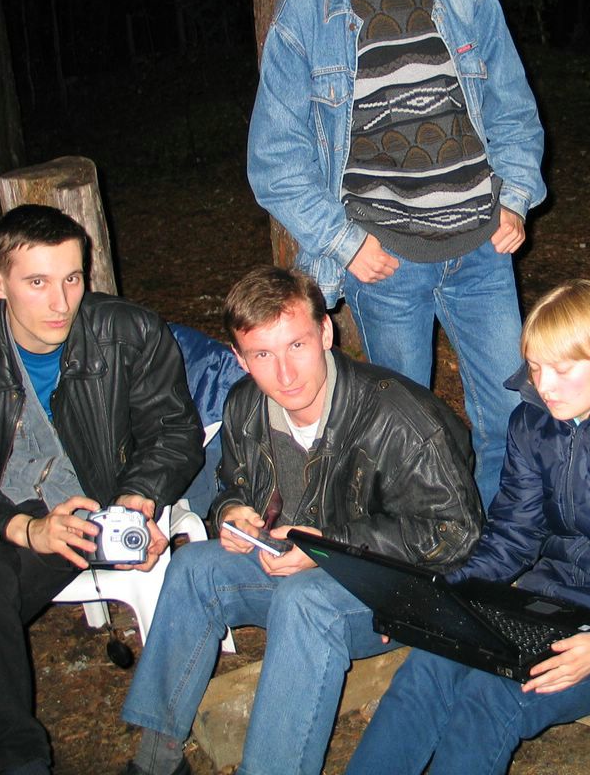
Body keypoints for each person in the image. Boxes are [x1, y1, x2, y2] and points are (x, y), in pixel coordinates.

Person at [247, 0, 546, 505]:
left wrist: (514, 197)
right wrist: (346, 243)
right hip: (385, 262)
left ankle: (499, 547)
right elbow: (274, 161)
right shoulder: (306, 15)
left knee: (512, 416)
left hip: (481, 250)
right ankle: (430, 548)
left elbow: (512, 107)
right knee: (408, 434)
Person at [344, 279, 590, 775]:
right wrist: (442, 599)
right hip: (556, 603)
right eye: (535, 366)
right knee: (429, 666)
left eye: (563, 369)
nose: (544, 385)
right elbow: (513, 534)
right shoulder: (535, 423)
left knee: (495, 695)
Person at [120, 265, 483, 775]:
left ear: (325, 333)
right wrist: (231, 513)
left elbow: (457, 534)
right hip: (298, 568)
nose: (285, 374)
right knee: (193, 568)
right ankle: (156, 761)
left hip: (398, 592)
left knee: (304, 601)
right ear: (239, 359)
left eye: (296, 345)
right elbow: (231, 485)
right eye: (262, 355)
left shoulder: (399, 418)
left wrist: (329, 545)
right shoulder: (244, 406)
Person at [0, 204, 204, 775]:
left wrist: (136, 498)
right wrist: (22, 526)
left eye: (72, 278)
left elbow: (173, 432)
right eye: (37, 283)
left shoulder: (130, 333)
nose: (61, 303)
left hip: (82, 512)